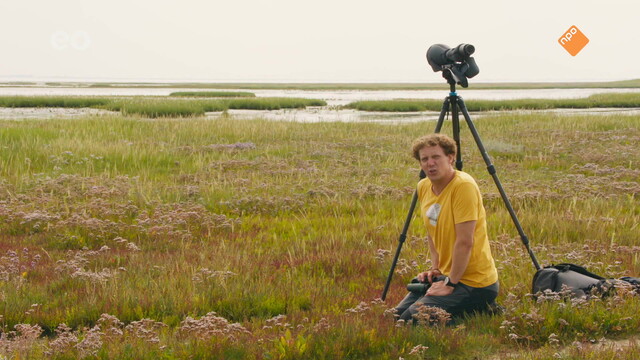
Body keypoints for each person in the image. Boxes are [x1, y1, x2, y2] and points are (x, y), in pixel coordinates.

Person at [395, 133, 499, 323]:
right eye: (424, 159)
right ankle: (466, 309)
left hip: (474, 282)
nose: (430, 163)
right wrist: (436, 269)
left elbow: (465, 242)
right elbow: (432, 231)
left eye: (436, 157)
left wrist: (450, 283)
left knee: (413, 320)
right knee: (397, 316)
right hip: (446, 275)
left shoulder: (463, 186)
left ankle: (479, 311)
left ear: (450, 157)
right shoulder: (423, 186)